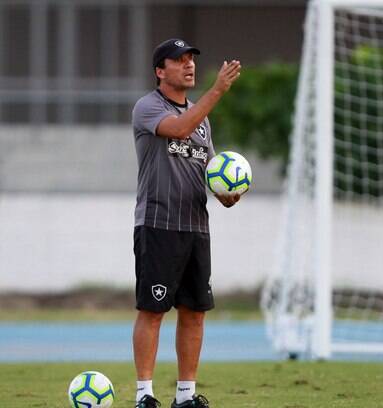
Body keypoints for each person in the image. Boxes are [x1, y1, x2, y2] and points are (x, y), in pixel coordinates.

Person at [131, 38, 241, 408]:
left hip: (196, 227)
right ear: (160, 71)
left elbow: (210, 172)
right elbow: (177, 129)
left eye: (191, 59)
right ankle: (144, 395)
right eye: (179, 60)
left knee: (194, 312)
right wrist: (218, 90)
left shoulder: (202, 120)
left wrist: (225, 193)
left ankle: (185, 396)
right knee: (153, 310)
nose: (189, 65)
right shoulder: (147, 107)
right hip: (158, 224)